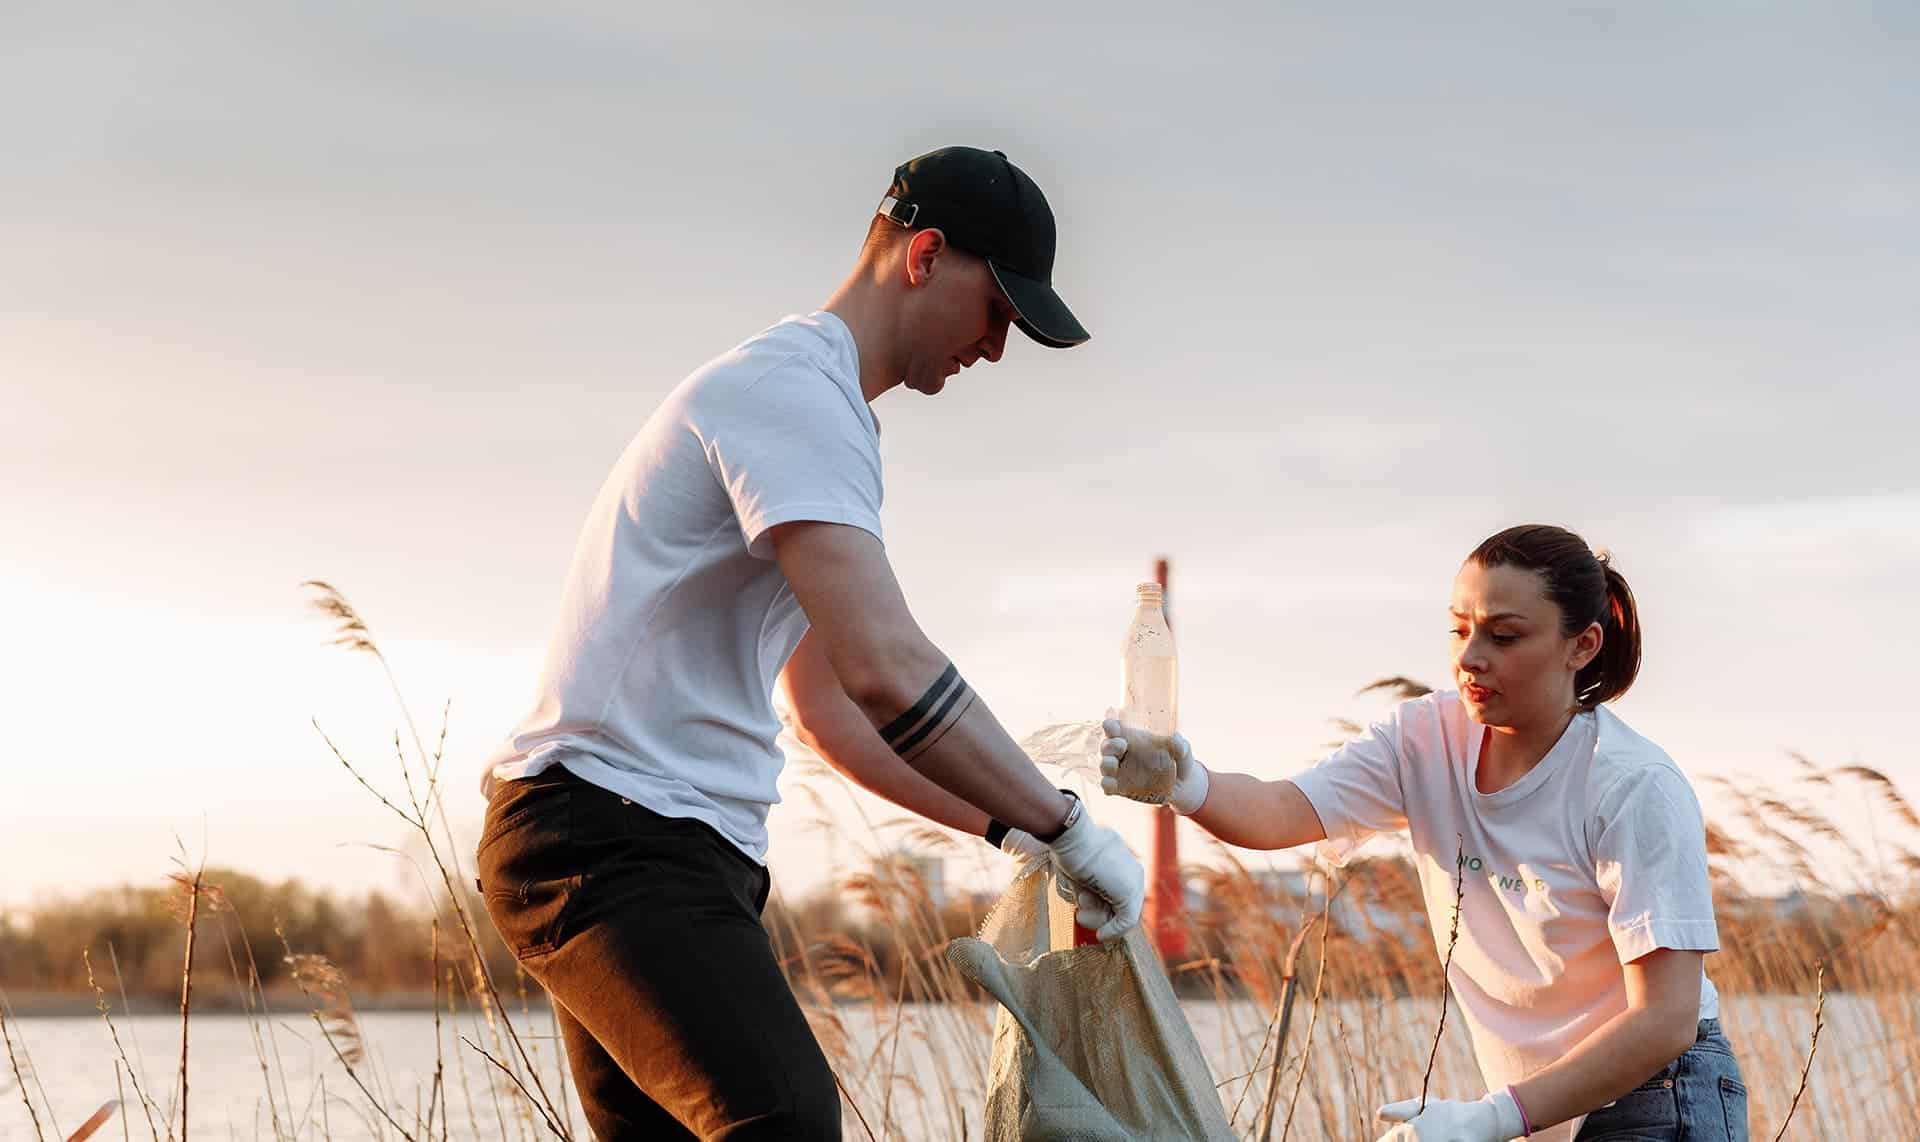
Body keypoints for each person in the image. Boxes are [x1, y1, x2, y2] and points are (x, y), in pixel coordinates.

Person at [475, 146, 1145, 1141]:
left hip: (657, 847)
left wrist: (1011, 833)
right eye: (998, 310)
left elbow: (832, 711)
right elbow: (888, 668)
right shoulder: (792, 395)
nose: (997, 349)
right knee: (783, 1121)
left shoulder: (821, 417)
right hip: (611, 837)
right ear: (925, 255)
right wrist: (1066, 825)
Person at [1101, 525, 1746, 1142]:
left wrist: (1489, 1120)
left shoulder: (1632, 786)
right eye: (1459, 629)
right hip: (1542, 1108)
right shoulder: (1425, 738)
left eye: (1504, 636)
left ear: (1582, 645)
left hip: (1660, 1090)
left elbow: (1665, 1021)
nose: (1470, 657)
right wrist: (1182, 782)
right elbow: (1281, 810)